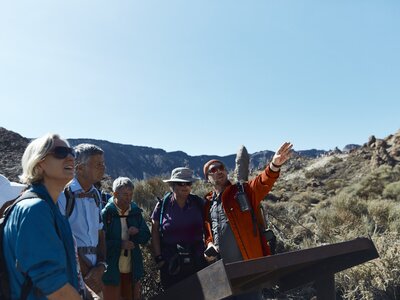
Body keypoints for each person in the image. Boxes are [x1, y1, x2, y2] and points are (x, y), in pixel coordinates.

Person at [202, 142, 293, 299]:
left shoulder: (242, 192)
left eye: (221, 168)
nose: (219, 171)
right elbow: (209, 233)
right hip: (222, 275)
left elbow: (261, 184)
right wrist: (209, 244)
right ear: (207, 178)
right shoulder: (208, 205)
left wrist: (274, 166)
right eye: (213, 170)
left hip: (248, 270)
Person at [2, 133, 81, 299]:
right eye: (60, 152)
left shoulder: (50, 209)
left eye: (71, 152)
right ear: (38, 164)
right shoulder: (35, 209)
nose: (70, 158)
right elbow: (54, 287)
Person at [58, 143, 107, 299]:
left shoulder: (96, 196)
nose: (103, 168)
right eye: (98, 164)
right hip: (72, 274)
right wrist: (87, 274)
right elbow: (61, 238)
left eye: (103, 164)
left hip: (94, 273)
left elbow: (100, 233)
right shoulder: (62, 194)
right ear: (79, 168)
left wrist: (101, 266)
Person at [151, 167, 206, 289]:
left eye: (188, 183)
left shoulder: (198, 203)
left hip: (197, 260)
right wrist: (159, 257)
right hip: (171, 263)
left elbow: (209, 226)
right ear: (172, 185)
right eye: (181, 183)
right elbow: (154, 232)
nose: (185, 186)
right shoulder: (162, 205)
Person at [102, 177, 151, 300]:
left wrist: (138, 232)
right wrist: (120, 244)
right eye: (125, 194)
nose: (129, 198)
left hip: (132, 269)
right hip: (112, 270)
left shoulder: (135, 212)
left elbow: (146, 236)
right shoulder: (106, 214)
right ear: (115, 194)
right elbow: (99, 243)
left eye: (131, 194)